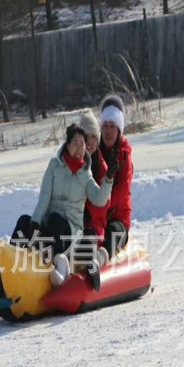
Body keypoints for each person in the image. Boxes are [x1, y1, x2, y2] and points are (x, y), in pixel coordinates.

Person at [11, 124, 114, 290]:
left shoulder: (86, 174)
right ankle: (10, 265)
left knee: (56, 222)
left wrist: (108, 180)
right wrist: (35, 222)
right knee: (23, 222)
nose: (79, 148)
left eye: (82, 144)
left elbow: (100, 199)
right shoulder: (54, 165)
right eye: (75, 143)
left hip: (71, 230)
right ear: (67, 145)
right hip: (50, 222)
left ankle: (59, 267)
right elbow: (45, 196)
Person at [98, 94, 133, 256]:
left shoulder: (124, 154)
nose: (108, 131)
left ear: (119, 129)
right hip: (96, 215)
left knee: (112, 231)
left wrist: (103, 205)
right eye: (105, 126)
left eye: (113, 126)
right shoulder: (95, 151)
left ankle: (103, 257)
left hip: (117, 216)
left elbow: (123, 188)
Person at [77, 109, 111, 267]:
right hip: (73, 224)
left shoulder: (102, 167)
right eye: (85, 137)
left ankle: (91, 267)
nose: (89, 141)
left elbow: (103, 205)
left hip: (93, 226)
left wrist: (85, 215)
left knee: (86, 241)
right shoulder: (71, 164)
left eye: (93, 137)